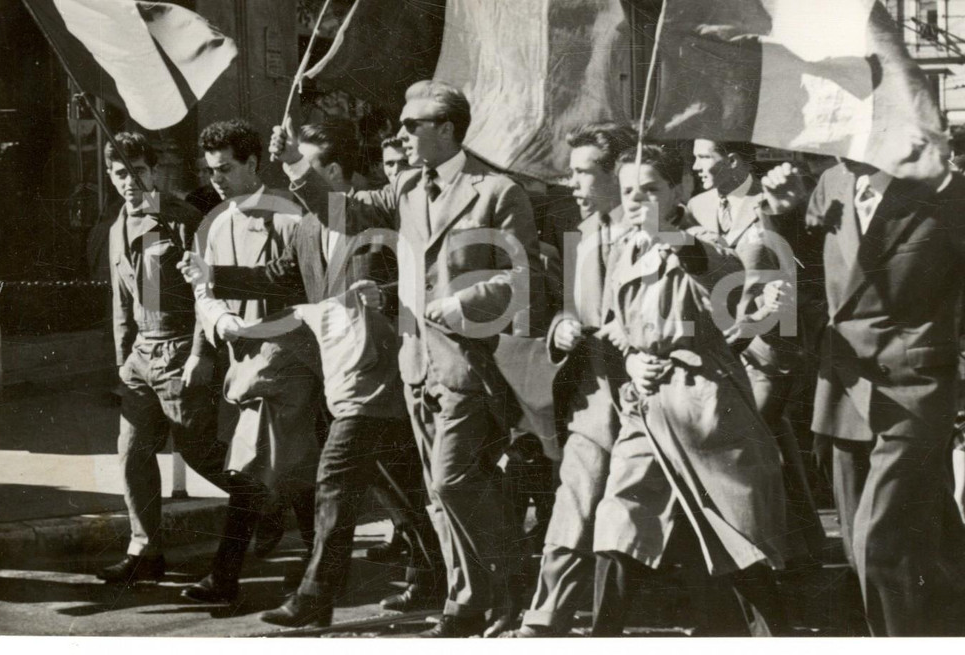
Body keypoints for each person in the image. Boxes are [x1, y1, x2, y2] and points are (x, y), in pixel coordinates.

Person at [273, 80, 544, 637]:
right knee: (439, 497)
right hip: (417, 365)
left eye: (411, 124)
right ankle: (467, 603)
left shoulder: (497, 192)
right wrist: (295, 166)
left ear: (445, 128)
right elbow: (343, 215)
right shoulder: (406, 190)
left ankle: (515, 583)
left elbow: (524, 280)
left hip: (472, 365)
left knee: (453, 482)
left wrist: (456, 303)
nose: (399, 134)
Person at [185, 119, 443, 626]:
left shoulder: (382, 224)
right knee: (400, 488)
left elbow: (424, 281)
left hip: (383, 376)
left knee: (335, 479)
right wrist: (211, 275)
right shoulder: (306, 227)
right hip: (340, 377)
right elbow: (277, 279)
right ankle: (439, 575)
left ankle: (315, 597)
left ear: (339, 174)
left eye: (311, 171)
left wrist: (385, 298)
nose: (303, 186)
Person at [761, 151, 965, 635]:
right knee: (887, 550)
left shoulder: (947, 189)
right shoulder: (828, 184)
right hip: (843, 389)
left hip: (915, 391)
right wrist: (784, 216)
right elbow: (808, 277)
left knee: (880, 545)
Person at [592, 146, 789, 637]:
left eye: (651, 189)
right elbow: (614, 321)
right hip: (648, 406)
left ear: (680, 190)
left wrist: (670, 235)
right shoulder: (622, 246)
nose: (637, 201)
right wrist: (633, 358)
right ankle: (601, 637)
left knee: (738, 534)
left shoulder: (697, 239)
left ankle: (775, 637)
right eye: (628, 191)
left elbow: (723, 274)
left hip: (705, 404)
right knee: (621, 520)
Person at [178, 119, 321, 604]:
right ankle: (324, 567)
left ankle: (225, 577)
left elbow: (297, 284)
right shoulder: (216, 223)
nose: (216, 178)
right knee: (293, 474)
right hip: (243, 367)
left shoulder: (290, 215)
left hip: (288, 364)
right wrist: (211, 336)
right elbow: (204, 293)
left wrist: (218, 284)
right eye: (210, 169)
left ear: (254, 163)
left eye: (226, 168)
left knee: (251, 470)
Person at [502, 122, 634, 638]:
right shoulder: (582, 236)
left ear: (617, 175)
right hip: (595, 399)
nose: (573, 184)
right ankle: (547, 620)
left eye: (583, 173)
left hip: (654, 401)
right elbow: (566, 310)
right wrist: (561, 327)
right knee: (574, 503)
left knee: (635, 515)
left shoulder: (663, 232)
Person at [96, 132, 230, 585]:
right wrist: (121, 362)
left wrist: (200, 353)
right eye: (119, 174)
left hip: (179, 347)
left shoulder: (179, 219)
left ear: (153, 172)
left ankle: (269, 506)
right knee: (132, 453)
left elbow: (205, 294)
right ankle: (145, 550)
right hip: (140, 356)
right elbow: (121, 300)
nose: (129, 182)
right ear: (111, 178)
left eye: (137, 173)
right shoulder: (119, 225)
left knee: (199, 450)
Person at [684, 139, 824, 563]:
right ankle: (804, 546)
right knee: (768, 439)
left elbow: (791, 277)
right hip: (720, 344)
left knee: (749, 435)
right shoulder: (698, 207)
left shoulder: (771, 204)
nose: (695, 165)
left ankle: (761, 554)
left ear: (733, 161)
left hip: (768, 346)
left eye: (703, 156)